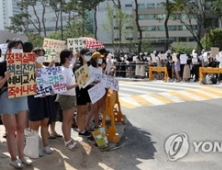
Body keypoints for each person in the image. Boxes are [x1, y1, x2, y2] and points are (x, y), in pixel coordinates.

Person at [0, 40, 32, 168]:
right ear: (9, 50)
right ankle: (13, 158)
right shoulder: (2, 65)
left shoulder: (26, 63)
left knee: (20, 128)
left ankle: (22, 156)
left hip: (22, 95)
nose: (19, 49)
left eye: (20, 47)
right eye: (16, 47)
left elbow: (31, 80)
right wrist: (6, 78)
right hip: (7, 96)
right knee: (11, 129)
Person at [28, 47, 55, 155]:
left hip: (46, 97)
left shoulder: (45, 67)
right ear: (33, 55)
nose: (41, 56)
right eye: (39, 54)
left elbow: (50, 80)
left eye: (42, 54)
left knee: (45, 122)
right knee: (35, 123)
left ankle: (46, 145)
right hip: (34, 98)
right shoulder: (28, 67)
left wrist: (52, 90)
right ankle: (34, 147)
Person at [56, 49, 79, 150]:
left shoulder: (69, 68)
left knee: (70, 120)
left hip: (71, 96)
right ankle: (67, 140)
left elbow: (73, 64)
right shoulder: (62, 70)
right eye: (70, 56)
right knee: (66, 120)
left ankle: (69, 138)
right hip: (66, 96)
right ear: (66, 58)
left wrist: (77, 56)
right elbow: (63, 86)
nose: (72, 58)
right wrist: (77, 84)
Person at [74, 48, 92, 137]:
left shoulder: (89, 66)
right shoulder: (78, 66)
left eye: (89, 54)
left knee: (84, 111)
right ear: (81, 56)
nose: (89, 56)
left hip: (87, 91)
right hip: (81, 91)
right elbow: (80, 81)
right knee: (80, 112)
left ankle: (83, 128)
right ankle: (81, 129)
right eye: (87, 54)